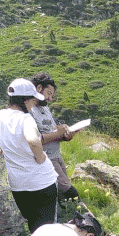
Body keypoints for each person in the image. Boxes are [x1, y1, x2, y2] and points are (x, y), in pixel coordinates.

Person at [0, 78, 58, 232]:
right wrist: (40, 157)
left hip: (19, 186)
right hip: (42, 183)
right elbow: (32, 139)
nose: (33, 105)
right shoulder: (26, 119)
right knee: (46, 231)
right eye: (32, 101)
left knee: (33, 225)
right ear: (24, 100)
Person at [30, 72, 80, 206]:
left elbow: (52, 132)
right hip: (46, 158)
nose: (50, 98)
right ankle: (86, 218)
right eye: (48, 93)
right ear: (39, 88)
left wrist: (67, 134)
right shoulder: (29, 110)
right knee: (70, 192)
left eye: (52, 95)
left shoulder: (45, 109)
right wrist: (59, 133)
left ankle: (64, 219)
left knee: (62, 194)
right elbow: (35, 140)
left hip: (57, 156)